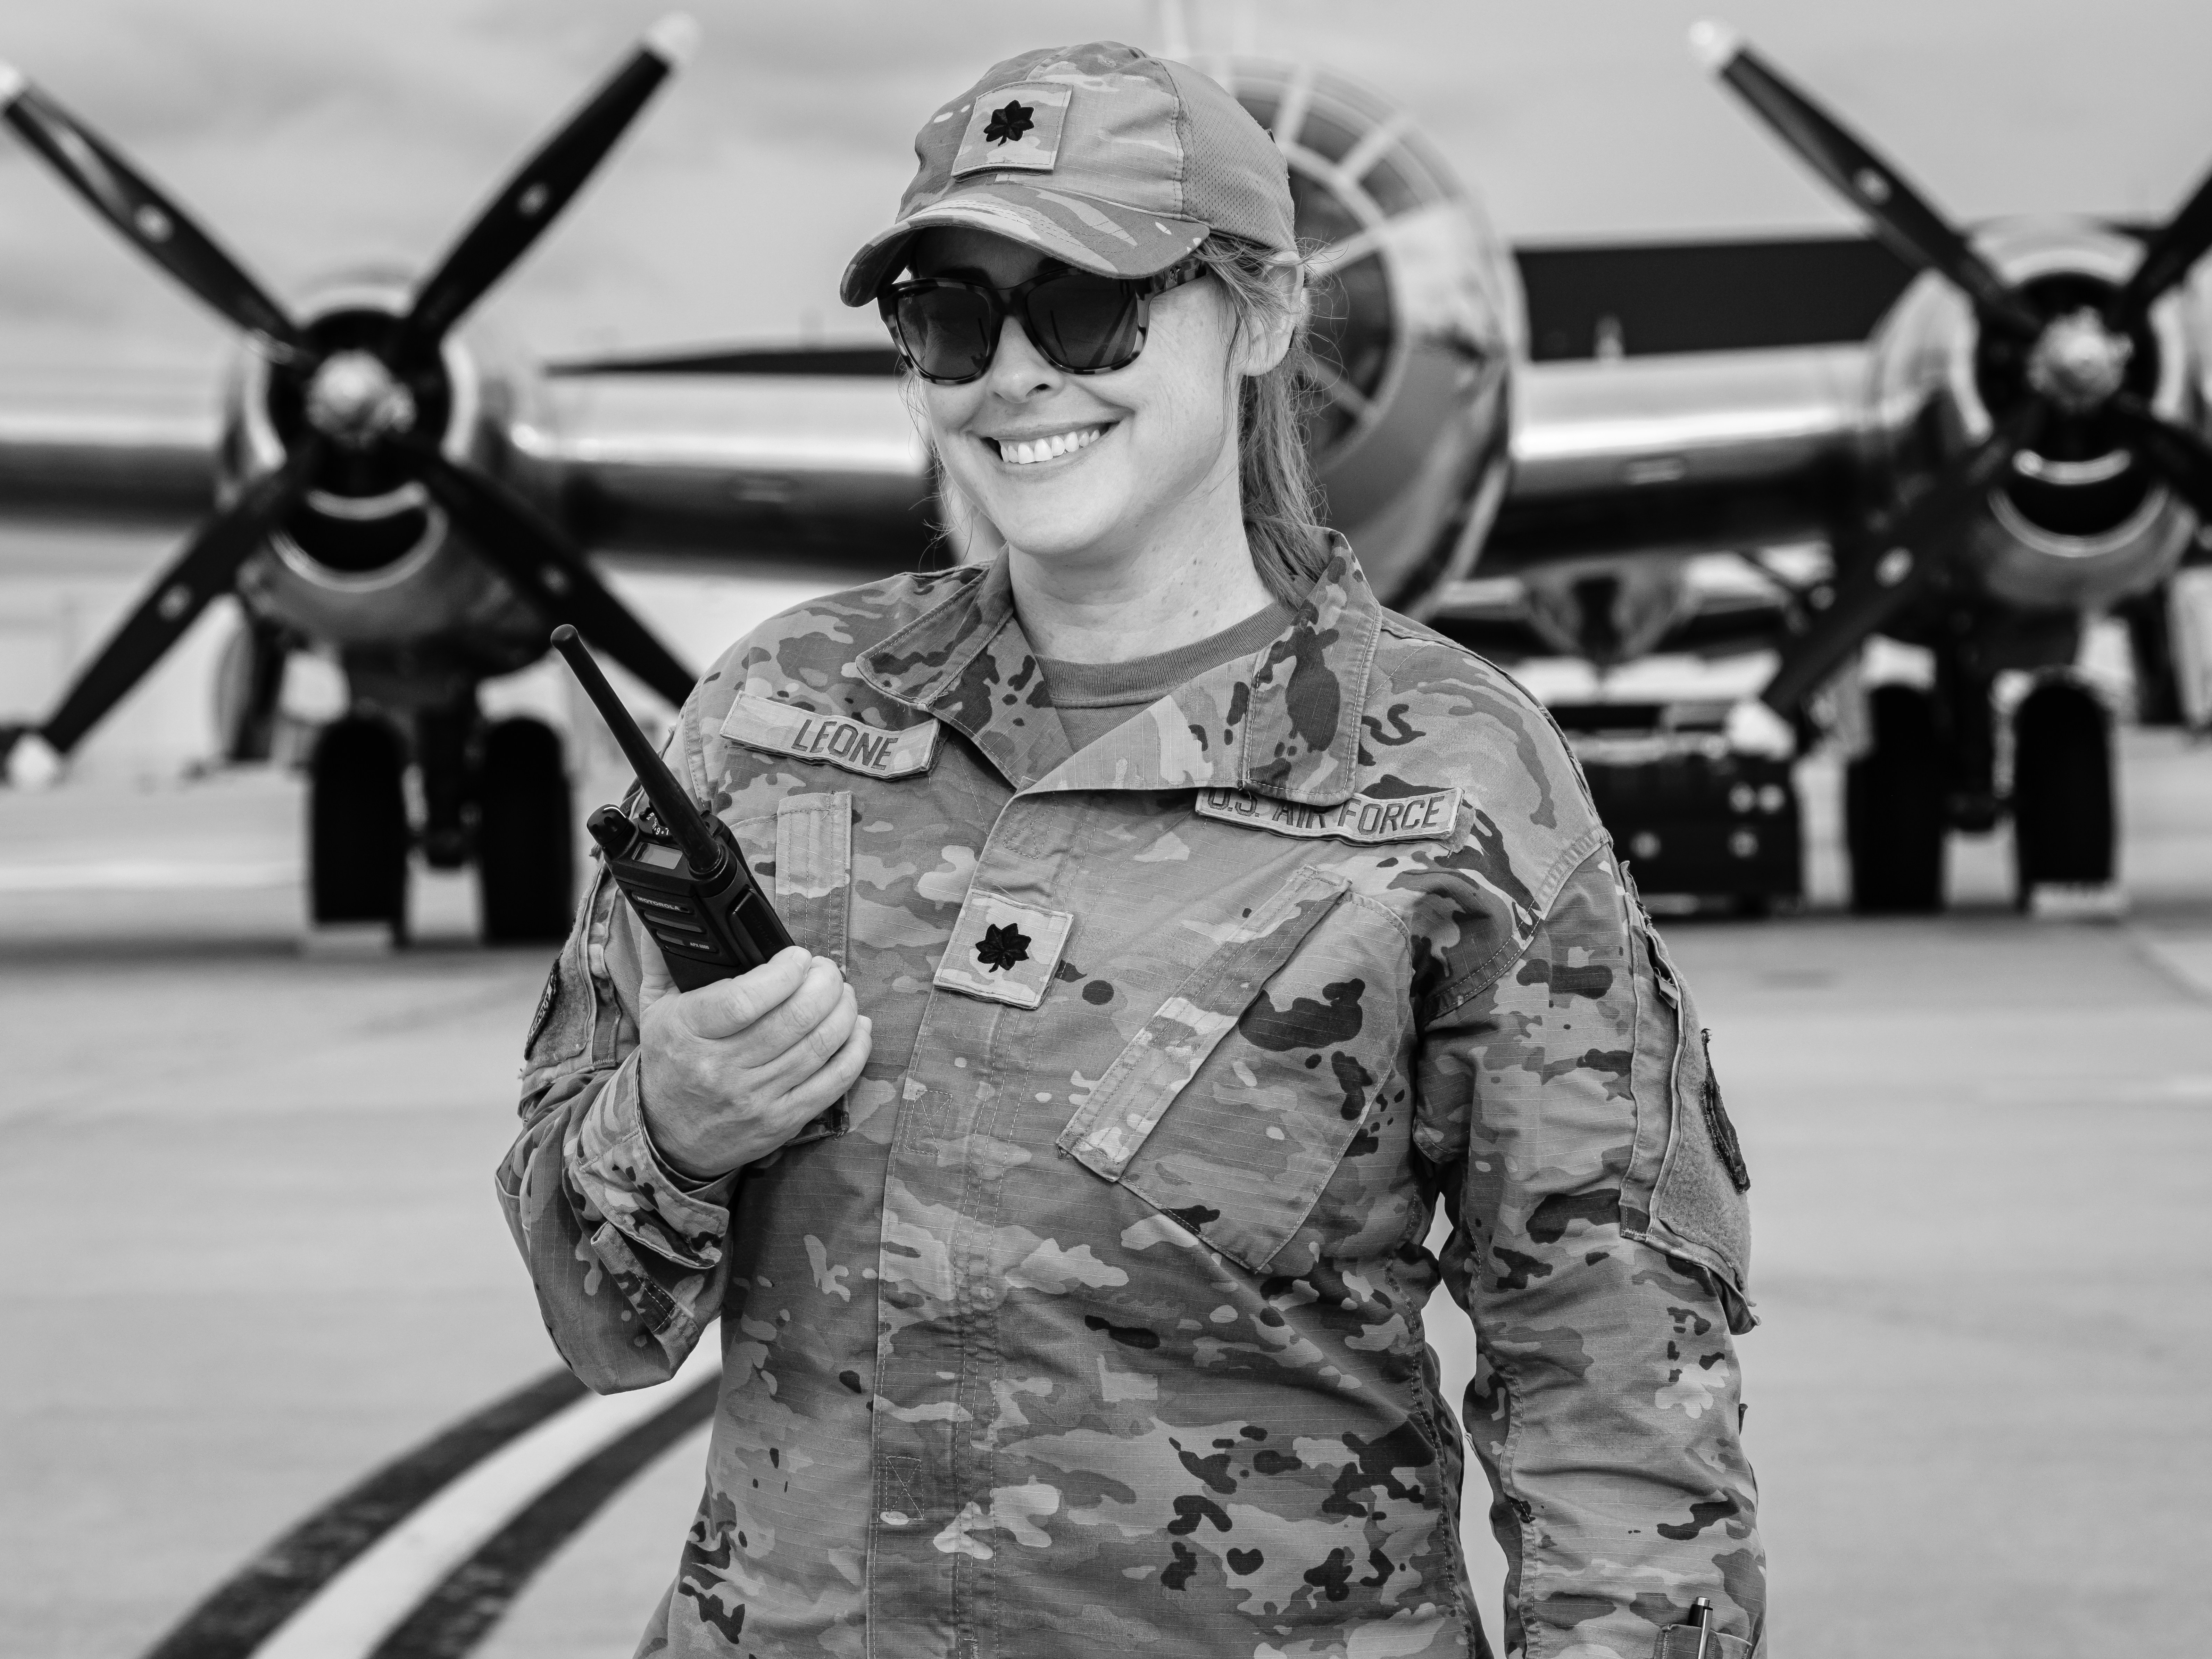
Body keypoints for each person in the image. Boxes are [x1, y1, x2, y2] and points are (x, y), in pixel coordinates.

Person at [499, 40, 1763, 1659]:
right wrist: (667, 1126)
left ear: (1265, 314)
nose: (1015, 372)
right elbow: (595, 1317)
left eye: (1090, 305)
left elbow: (1617, 1389)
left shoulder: (1460, 782)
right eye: (950, 315)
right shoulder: (768, 720)